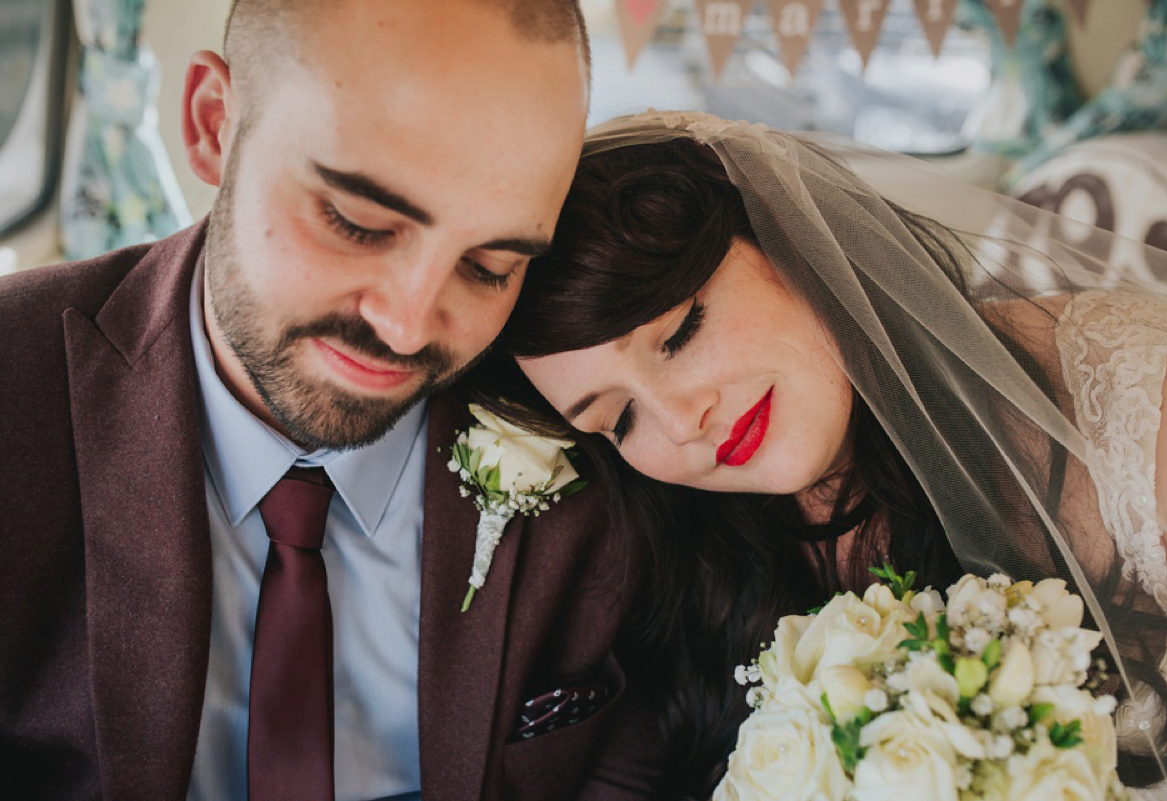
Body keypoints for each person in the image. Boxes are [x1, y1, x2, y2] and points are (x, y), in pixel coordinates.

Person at [0, 3, 668, 800]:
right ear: (214, 125)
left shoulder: (593, 422)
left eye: (490, 265)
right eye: (356, 223)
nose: (409, 325)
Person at [470, 110, 1167, 798]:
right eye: (620, 418)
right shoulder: (689, 570)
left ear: (780, 234)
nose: (682, 421)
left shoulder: (1140, 393)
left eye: (682, 330)